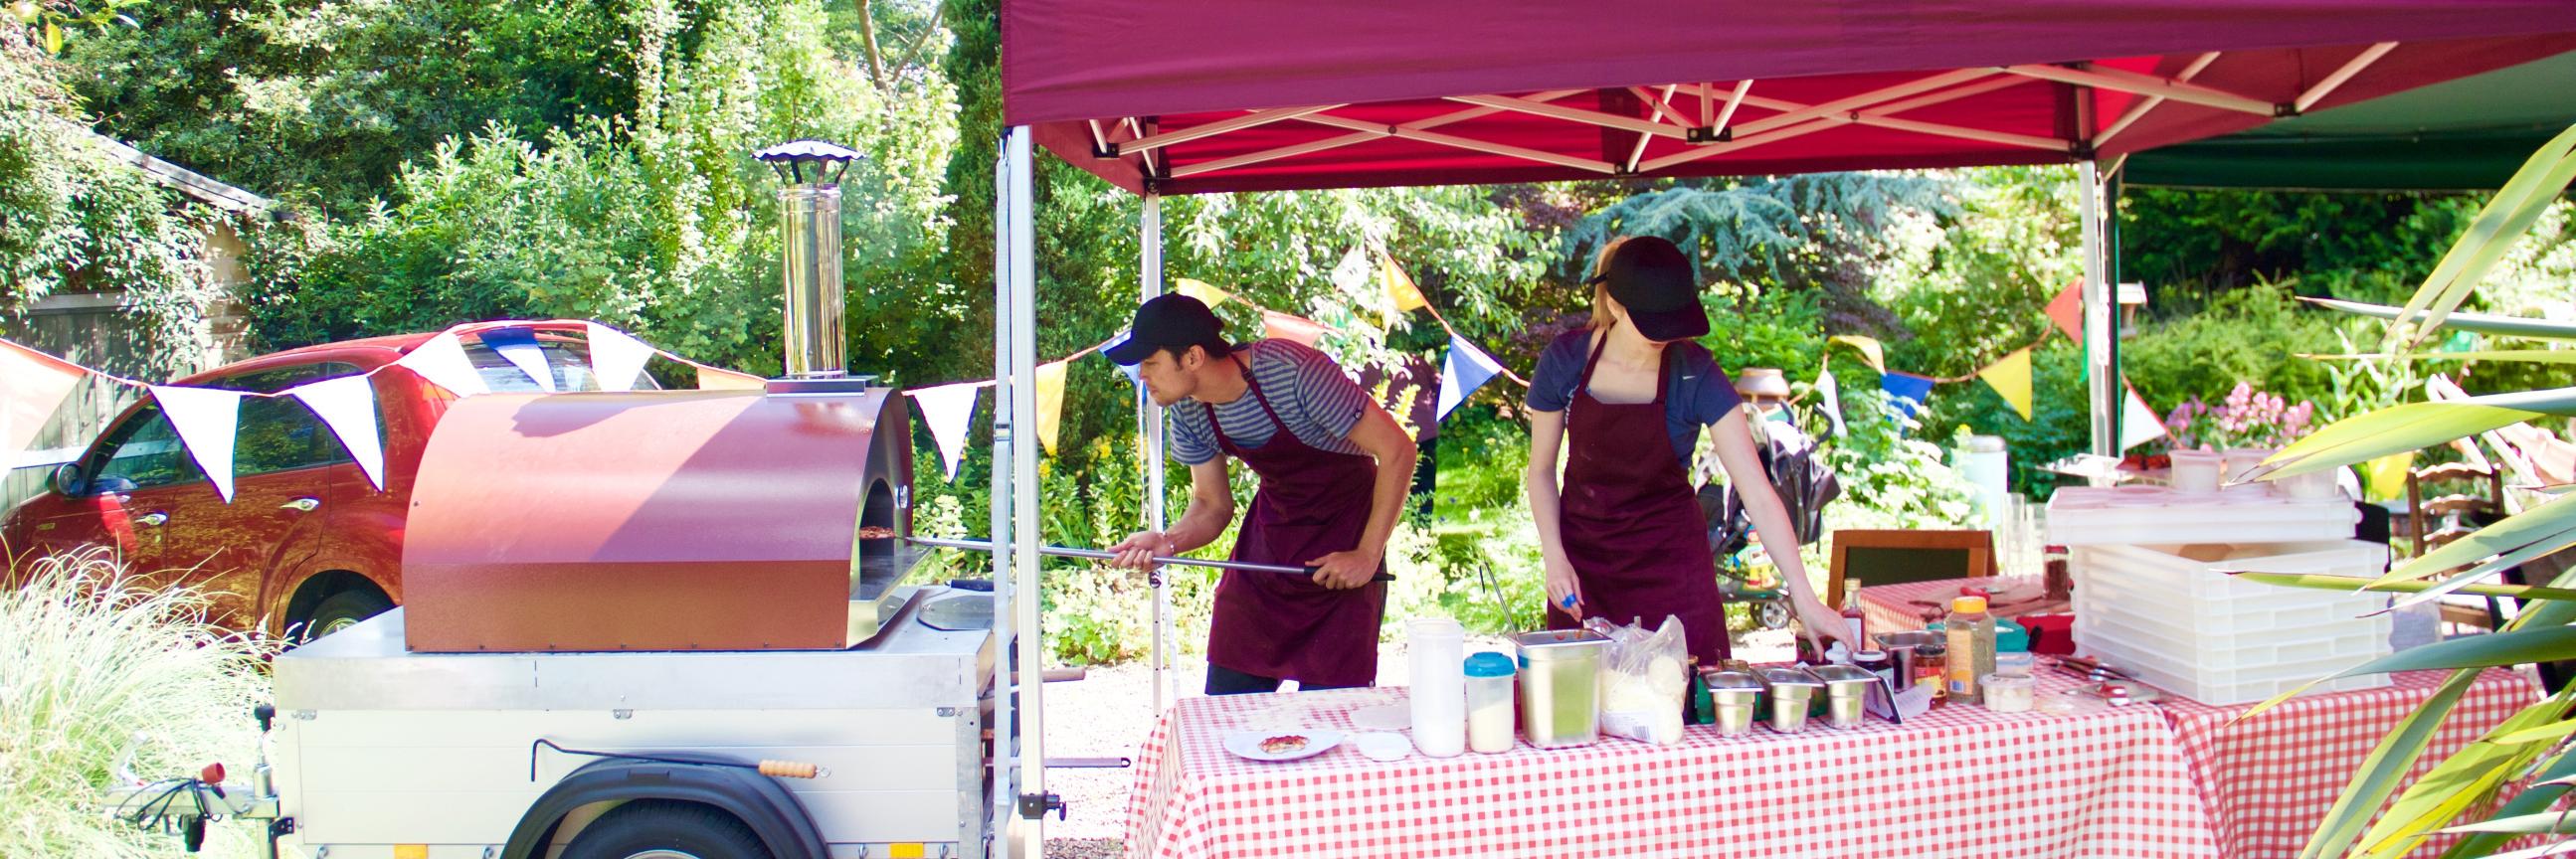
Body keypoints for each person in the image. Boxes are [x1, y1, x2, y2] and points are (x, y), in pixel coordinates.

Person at [1525, 236, 1849, 663]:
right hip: (1585, 571)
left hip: (1674, 571)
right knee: (1586, 714)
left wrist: (1805, 598)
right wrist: (1555, 556)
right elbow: (1541, 470)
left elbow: (1756, 490)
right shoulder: (1565, 362)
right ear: (1617, 306)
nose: (1668, 335)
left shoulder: (1695, 373)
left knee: (1692, 707)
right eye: (1653, 323)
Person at [1104, 294, 1419, 695]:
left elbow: (1397, 450)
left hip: (1347, 538)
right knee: (1228, 704)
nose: (1142, 375)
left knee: (1332, 717)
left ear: (1193, 357)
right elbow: (1211, 505)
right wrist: (1168, 540)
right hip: (1270, 544)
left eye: (1150, 363)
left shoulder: (1292, 372)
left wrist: (1367, 555)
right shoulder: (1186, 408)